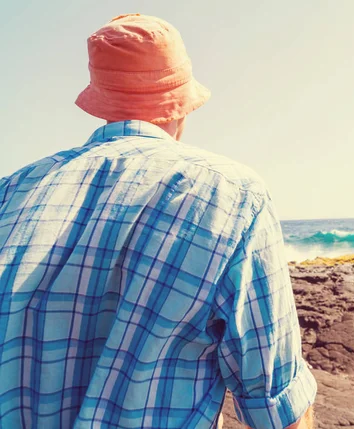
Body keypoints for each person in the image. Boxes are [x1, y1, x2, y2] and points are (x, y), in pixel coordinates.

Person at [0, 14, 316, 429]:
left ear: (100, 100)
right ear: (182, 104)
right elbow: (276, 407)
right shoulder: (233, 195)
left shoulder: (12, 191)